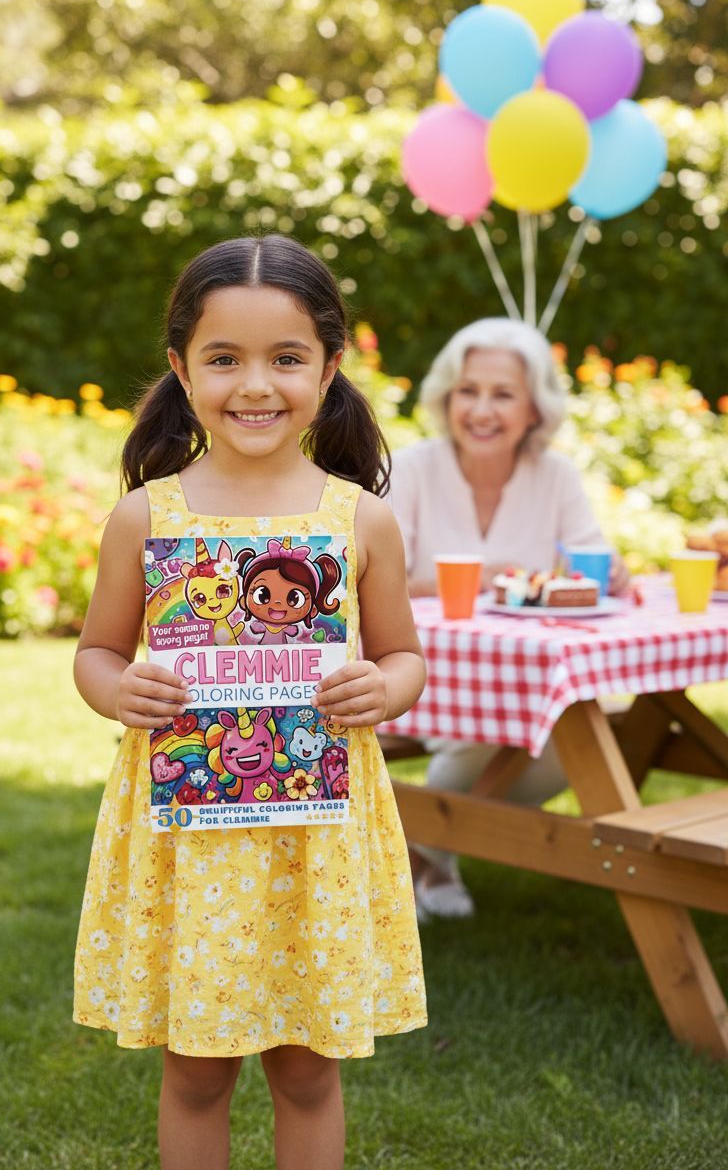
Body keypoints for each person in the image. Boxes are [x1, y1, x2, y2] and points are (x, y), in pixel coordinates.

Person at [73, 234, 427, 1170]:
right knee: (197, 1072)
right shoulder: (148, 517)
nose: (254, 385)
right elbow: (98, 653)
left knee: (307, 1070)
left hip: (316, 833)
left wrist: (379, 687)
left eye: (286, 358)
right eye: (224, 358)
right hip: (192, 842)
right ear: (182, 368)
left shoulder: (361, 519)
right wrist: (123, 689)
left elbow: (403, 659)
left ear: (330, 367)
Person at [387, 317, 629, 922]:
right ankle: (435, 858)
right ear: (448, 397)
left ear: (534, 407)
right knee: (486, 728)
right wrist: (489, 574)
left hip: (518, 674)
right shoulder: (415, 466)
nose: (482, 409)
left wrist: (611, 570)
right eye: (469, 390)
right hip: (418, 665)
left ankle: (423, 856)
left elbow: (587, 560)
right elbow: (382, 576)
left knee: (595, 729)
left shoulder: (556, 474)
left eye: (503, 393)